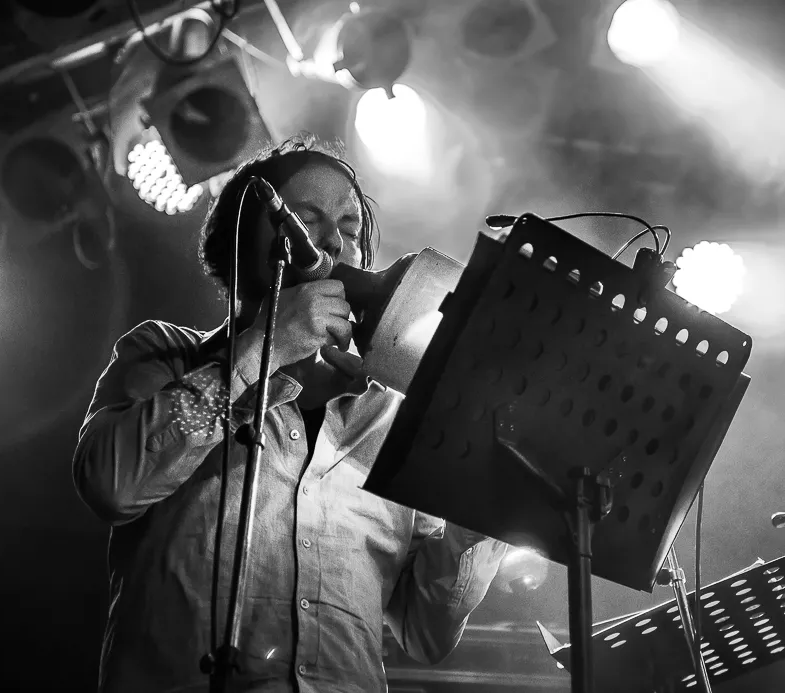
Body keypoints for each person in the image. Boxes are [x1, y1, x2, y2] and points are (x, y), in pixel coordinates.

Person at [73, 135, 509, 693]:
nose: (333, 242)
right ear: (243, 245)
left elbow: (425, 633)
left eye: (350, 228)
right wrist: (266, 347)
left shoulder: (394, 416)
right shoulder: (166, 355)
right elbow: (112, 485)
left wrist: (478, 521)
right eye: (306, 220)